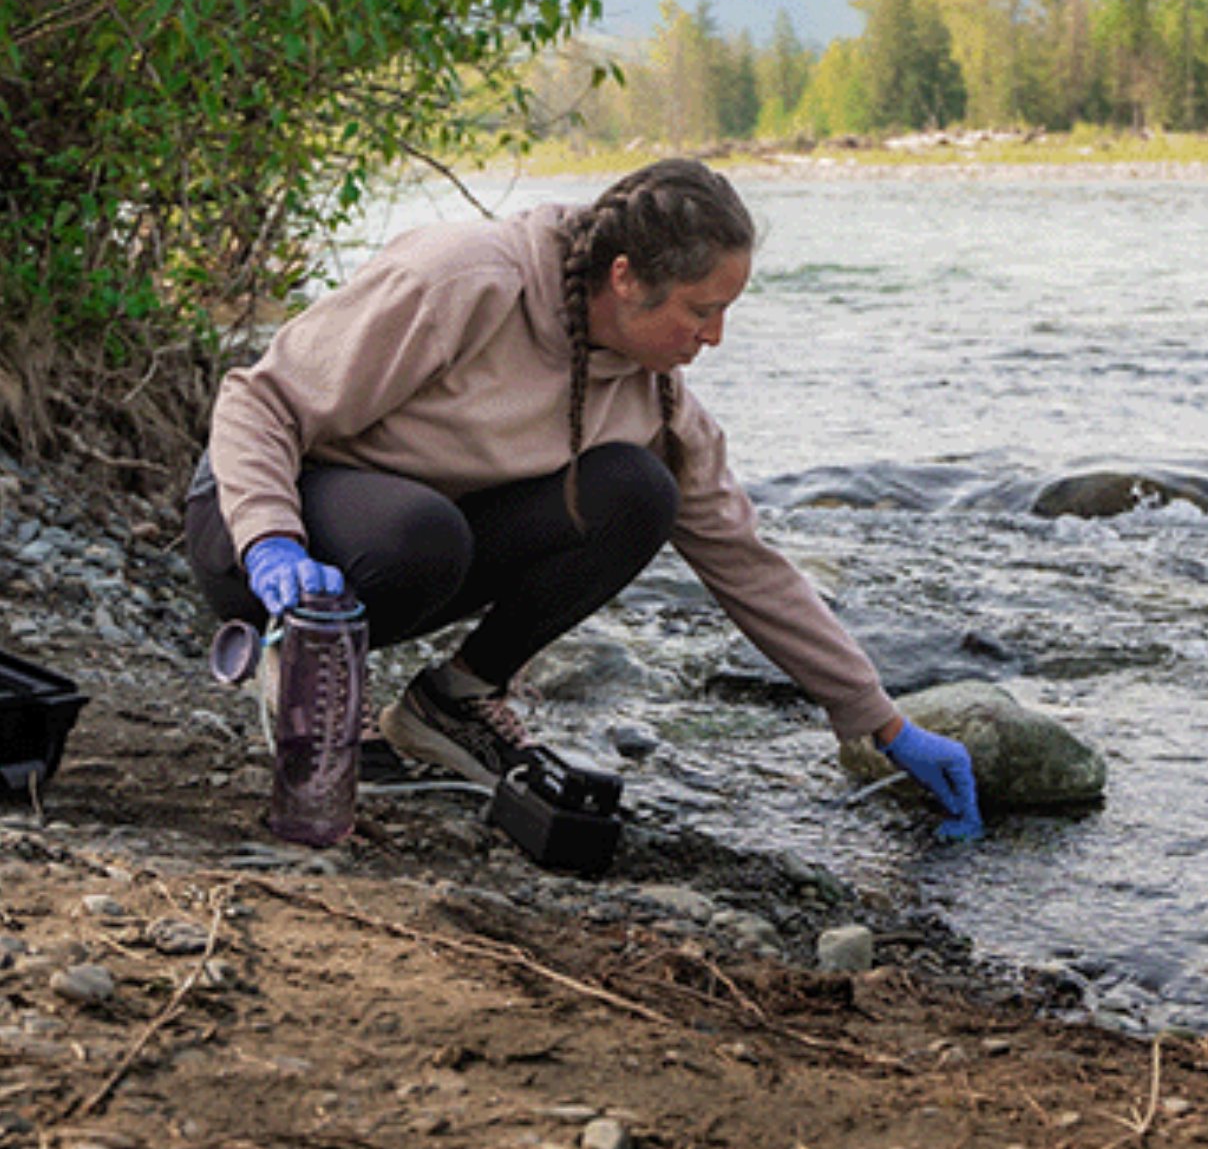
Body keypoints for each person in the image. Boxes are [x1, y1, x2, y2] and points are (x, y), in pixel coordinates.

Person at [184, 158, 980, 839]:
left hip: (405, 545)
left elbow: (746, 560)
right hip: (255, 523)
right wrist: (269, 541)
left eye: (727, 311)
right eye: (702, 310)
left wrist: (880, 720)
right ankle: (304, 667)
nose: (715, 337)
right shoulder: (464, 280)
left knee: (637, 491)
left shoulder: (654, 396)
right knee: (423, 532)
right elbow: (259, 404)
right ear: (627, 279)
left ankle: (451, 706)